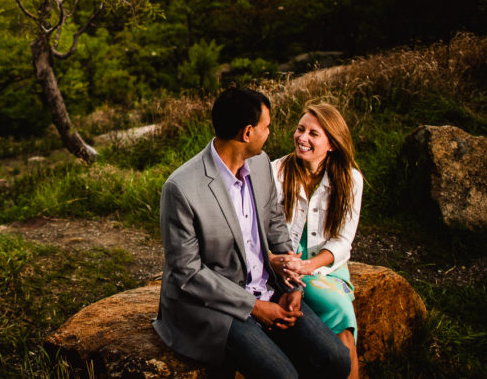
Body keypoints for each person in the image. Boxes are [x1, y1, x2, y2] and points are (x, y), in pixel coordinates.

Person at [153, 87, 350, 379]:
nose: (270, 132)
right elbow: (188, 273)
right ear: (247, 133)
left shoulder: (259, 164)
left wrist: (293, 285)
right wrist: (255, 307)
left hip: (268, 289)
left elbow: (274, 223)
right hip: (215, 307)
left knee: (336, 359)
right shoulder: (181, 188)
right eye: (266, 127)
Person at [272, 102, 364, 379]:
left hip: (323, 263)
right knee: (337, 314)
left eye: (314, 134)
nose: (302, 138)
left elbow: (343, 240)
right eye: (300, 129)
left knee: (339, 310)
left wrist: (310, 266)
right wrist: (287, 263)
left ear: (332, 144)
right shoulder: (276, 171)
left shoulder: (350, 179)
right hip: (282, 260)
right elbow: (266, 228)